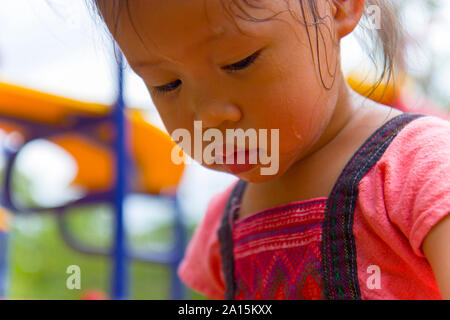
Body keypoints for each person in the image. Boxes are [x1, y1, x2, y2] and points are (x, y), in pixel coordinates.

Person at [91, 0, 450, 299]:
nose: (207, 116)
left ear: (339, 7)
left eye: (239, 61)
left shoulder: (421, 168)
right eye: (167, 84)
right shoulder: (223, 228)